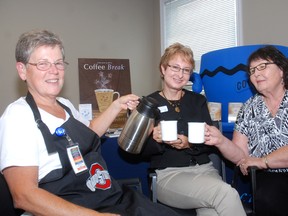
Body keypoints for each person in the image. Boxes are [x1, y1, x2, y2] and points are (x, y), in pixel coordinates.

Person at [0, 29, 182, 216]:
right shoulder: (18, 116)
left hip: (108, 197)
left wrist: (116, 105)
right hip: (72, 208)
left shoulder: (65, 105)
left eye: (58, 63)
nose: (54, 71)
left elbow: (90, 132)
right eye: (43, 64)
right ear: (22, 70)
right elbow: (24, 195)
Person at [140, 42, 245, 216]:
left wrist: (190, 143)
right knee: (226, 193)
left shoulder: (198, 101)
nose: (180, 74)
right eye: (175, 67)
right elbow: (136, 152)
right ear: (163, 69)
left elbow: (210, 141)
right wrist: (154, 140)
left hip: (206, 170)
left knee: (211, 213)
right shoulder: (149, 104)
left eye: (186, 70)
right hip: (169, 175)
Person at [205, 45, 288, 216]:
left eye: (262, 66)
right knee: (267, 197)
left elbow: (257, 160)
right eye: (252, 70)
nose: (256, 74)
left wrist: (263, 160)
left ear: (281, 70)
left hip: (266, 166)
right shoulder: (248, 108)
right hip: (268, 177)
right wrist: (221, 140)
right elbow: (241, 155)